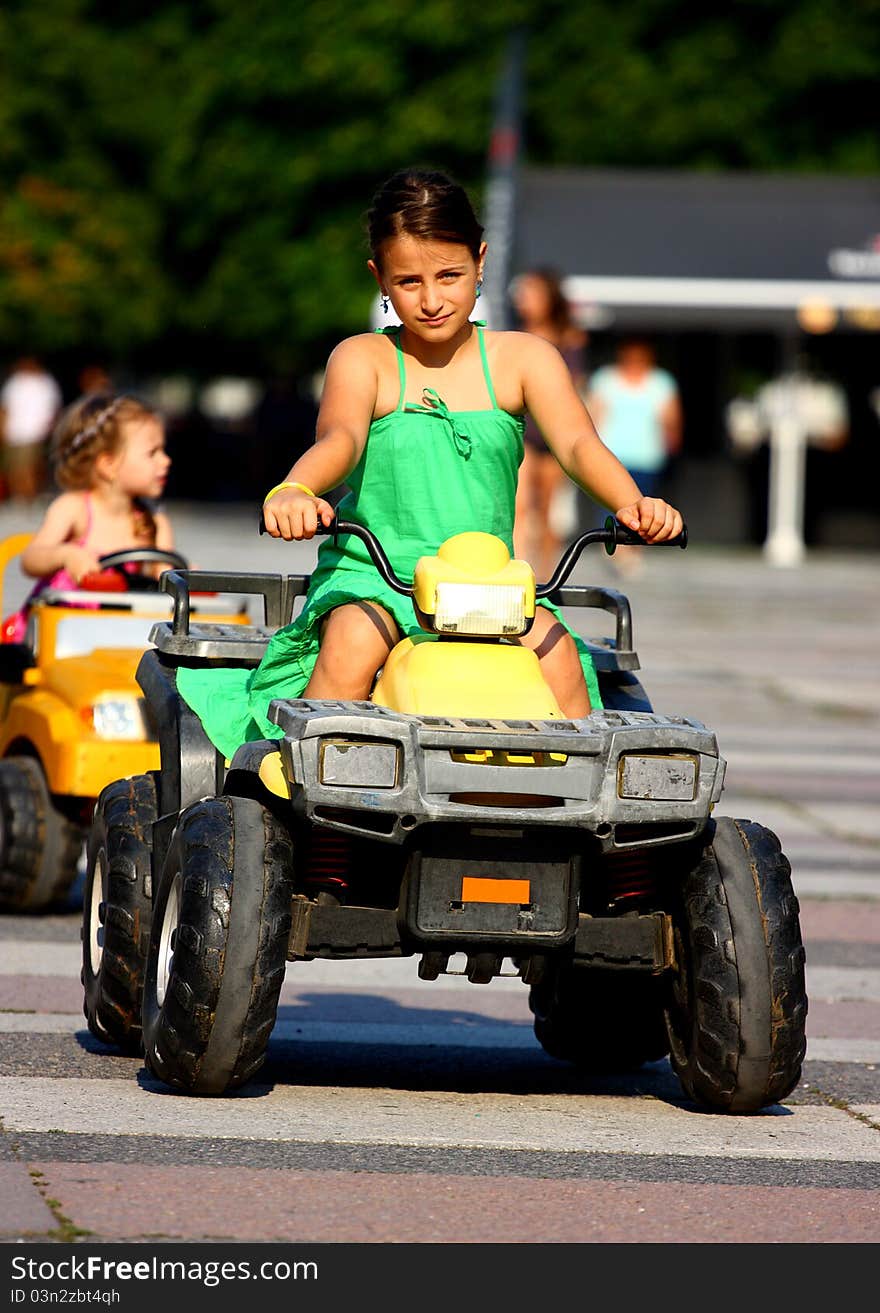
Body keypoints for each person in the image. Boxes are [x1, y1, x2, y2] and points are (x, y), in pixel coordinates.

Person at [176, 168, 683, 760]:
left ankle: (581, 815)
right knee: (349, 648)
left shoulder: (524, 358)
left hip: (489, 588)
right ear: (380, 279)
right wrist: (294, 489)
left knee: (563, 660)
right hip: (378, 576)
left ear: (481, 260)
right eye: (409, 281)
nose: (432, 298)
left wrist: (633, 505)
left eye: (450, 276)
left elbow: (576, 444)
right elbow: (339, 439)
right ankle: (308, 809)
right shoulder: (364, 358)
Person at [2, 392, 173, 642]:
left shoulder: (154, 522)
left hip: (117, 636)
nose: (166, 461)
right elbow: (31, 559)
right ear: (108, 465)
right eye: (153, 453)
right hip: (57, 637)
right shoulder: (74, 508)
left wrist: (182, 578)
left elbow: (164, 581)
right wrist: (65, 554)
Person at [510, 268, 589, 579]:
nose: (523, 299)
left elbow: (576, 386)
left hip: (554, 433)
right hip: (523, 433)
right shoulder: (513, 337)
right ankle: (519, 571)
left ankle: (545, 577)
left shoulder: (570, 340)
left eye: (531, 292)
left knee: (549, 512)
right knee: (519, 507)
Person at [584, 337, 682, 574]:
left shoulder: (661, 383)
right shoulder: (606, 380)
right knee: (610, 502)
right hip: (612, 452)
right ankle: (615, 548)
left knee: (643, 503)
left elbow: (671, 418)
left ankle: (634, 549)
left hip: (647, 454)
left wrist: (672, 444)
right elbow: (594, 414)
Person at [0, 356, 63, 503]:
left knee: (30, 465)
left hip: (34, 432)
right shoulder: (15, 382)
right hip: (14, 432)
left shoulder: (45, 382)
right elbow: (5, 408)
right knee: (15, 466)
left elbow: (53, 407)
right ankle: (20, 495)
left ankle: (29, 495)